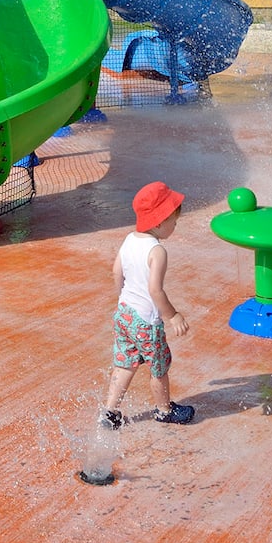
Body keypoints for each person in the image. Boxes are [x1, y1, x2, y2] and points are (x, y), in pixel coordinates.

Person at [102, 180, 194, 429]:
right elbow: (155, 290)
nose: (175, 225)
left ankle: (109, 412)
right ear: (159, 221)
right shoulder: (157, 251)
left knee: (125, 363)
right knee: (159, 366)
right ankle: (164, 410)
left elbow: (116, 271)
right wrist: (172, 316)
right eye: (173, 221)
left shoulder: (129, 239)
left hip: (124, 314)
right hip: (146, 322)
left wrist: (123, 299)